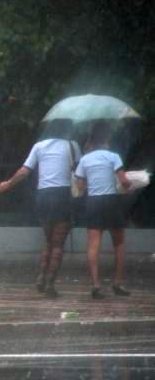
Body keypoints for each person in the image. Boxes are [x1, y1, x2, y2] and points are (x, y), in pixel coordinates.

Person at [0, 119, 80, 298]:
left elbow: (25, 171)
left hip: (44, 195)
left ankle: (41, 275)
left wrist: (7, 184)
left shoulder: (39, 146)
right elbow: (79, 171)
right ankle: (50, 282)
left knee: (48, 240)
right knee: (58, 243)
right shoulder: (72, 146)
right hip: (63, 195)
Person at [74, 120, 131, 299]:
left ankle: (96, 285)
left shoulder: (84, 159)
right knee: (119, 244)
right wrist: (129, 185)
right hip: (111, 201)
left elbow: (80, 186)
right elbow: (123, 181)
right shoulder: (113, 156)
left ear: (92, 140)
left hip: (93, 203)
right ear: (107, 139)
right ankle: (118, 283)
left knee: (93, 245)